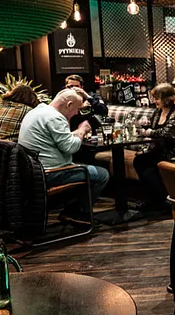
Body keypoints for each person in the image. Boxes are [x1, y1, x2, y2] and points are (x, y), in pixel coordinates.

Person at [18, 88, 109, 226]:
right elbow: (70, 147)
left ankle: (73, 210)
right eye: (77, 109)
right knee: (102, 174)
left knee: (84, 166)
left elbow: (61, 140)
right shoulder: (55, 117)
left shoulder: (36, 112)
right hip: (51, 173)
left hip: (33, 171)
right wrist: (82, 130)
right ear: (69, 105)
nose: (76, 113)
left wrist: (74, 134)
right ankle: (77, 213)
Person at [133, 83, 175, 211]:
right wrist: (145, 125)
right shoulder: (157, 112)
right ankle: (156, 199)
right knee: (139, 161)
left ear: (166, 99)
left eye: (157, 98)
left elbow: (168, 134)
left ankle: (161, 200)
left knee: (148, 163)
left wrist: (149, 132)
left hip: (174, 151)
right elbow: (153, 129)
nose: (154, 101)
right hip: (158, 150)